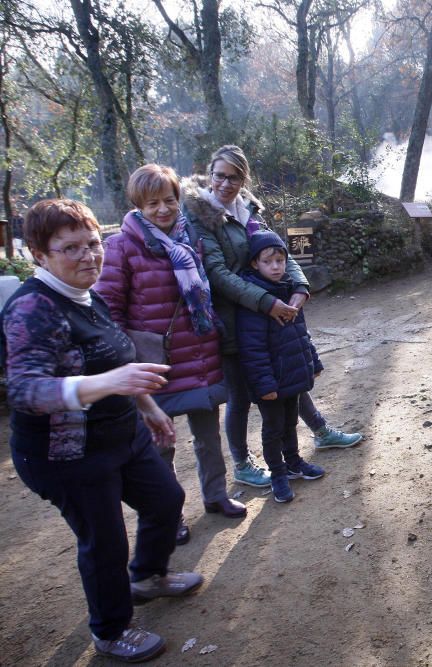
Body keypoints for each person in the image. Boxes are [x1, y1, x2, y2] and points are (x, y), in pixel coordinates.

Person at [1, 199, 202, 663]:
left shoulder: (88, 294)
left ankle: (149, 576)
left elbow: (116, 358)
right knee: (105, 540)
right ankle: (110, 630)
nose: (88, 256)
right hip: (66, 454)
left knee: (166, 500)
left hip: (121, 433)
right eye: (70, 248)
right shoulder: (33, 307)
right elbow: (25, 389)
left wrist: (147, 406)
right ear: (39, 253)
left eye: (93, 244)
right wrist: (109, 384)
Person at [182, 145, 360, 490]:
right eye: (220, 175)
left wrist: (300, 288)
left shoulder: (248, 210)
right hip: (234, 319)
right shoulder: (200, 215)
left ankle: (320, 431)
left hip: (270, 310)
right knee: (239, 395)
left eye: (234, 177)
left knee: (289, 376)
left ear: (243, 179)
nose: (226, 183)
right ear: (210, 174)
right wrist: (267, 302)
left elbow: (278, 249)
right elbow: (217, 272)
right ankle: (242, 463)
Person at [95, 164, 247, 547]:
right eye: (152, 203)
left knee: (208, 435)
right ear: (138, 205)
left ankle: (215, 495)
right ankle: (169, 512)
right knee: (161, 442)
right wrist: (123, 356)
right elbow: (108, 306)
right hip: (155, 360)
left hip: (198, 351)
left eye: (168, 200)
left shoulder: (189, 236)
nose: (162, 209)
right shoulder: (121, 246)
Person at [237, 231, 326, 503]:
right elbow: (252, 349)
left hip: (292, 375)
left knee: (289, 422)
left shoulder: (290, 291)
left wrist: (313, 361)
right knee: (273, 427)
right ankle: (277, 473)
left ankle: (294, 462)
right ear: (255, 264)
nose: (276, 267)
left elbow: (301, 333)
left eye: (280, 260)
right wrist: (265, 385)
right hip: (271, 382)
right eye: (268, 262)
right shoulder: (255, 301)